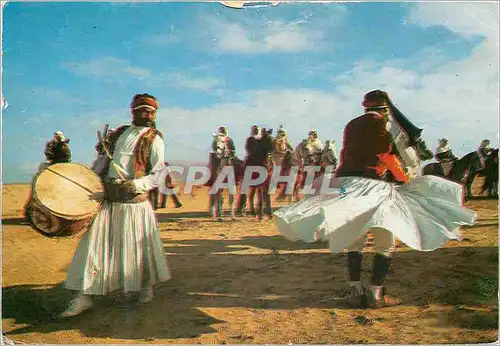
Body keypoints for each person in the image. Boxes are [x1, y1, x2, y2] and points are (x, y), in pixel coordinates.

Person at [273, 90, 476, 309]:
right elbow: (393, 157)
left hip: (347, 183)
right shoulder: (389, 126)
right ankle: (375, 294)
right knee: (385, 239)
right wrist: (404, 176)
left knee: (354, 238)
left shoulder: (351, 125)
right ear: (385, 109)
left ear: (365, 107)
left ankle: (355, 291)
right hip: (375, 185)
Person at [60, 93, 171, 318]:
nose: (147, 115)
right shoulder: (119, 133)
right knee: (94, 248)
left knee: (140, 250)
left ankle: (145, 286)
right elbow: (103, 162)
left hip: (134, 204)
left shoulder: (155, 139)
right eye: (142, 110)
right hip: (109, 202)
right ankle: (85, 296)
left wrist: (136, 183)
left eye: (151, 111)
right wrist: (91, 176)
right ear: (134, 112)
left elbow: (158, 173)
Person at [208, 126, 237, 220]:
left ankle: (232, 211)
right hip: (218, 163)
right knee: (216, 188)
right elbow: (214, 149)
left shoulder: (230, 140)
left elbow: (234, 151)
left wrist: (229, 152)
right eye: (221, 131)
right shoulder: (216, 139)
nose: (223, 132)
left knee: (232, 189)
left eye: (223, 131)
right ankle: (218, 212)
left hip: (228, 162)